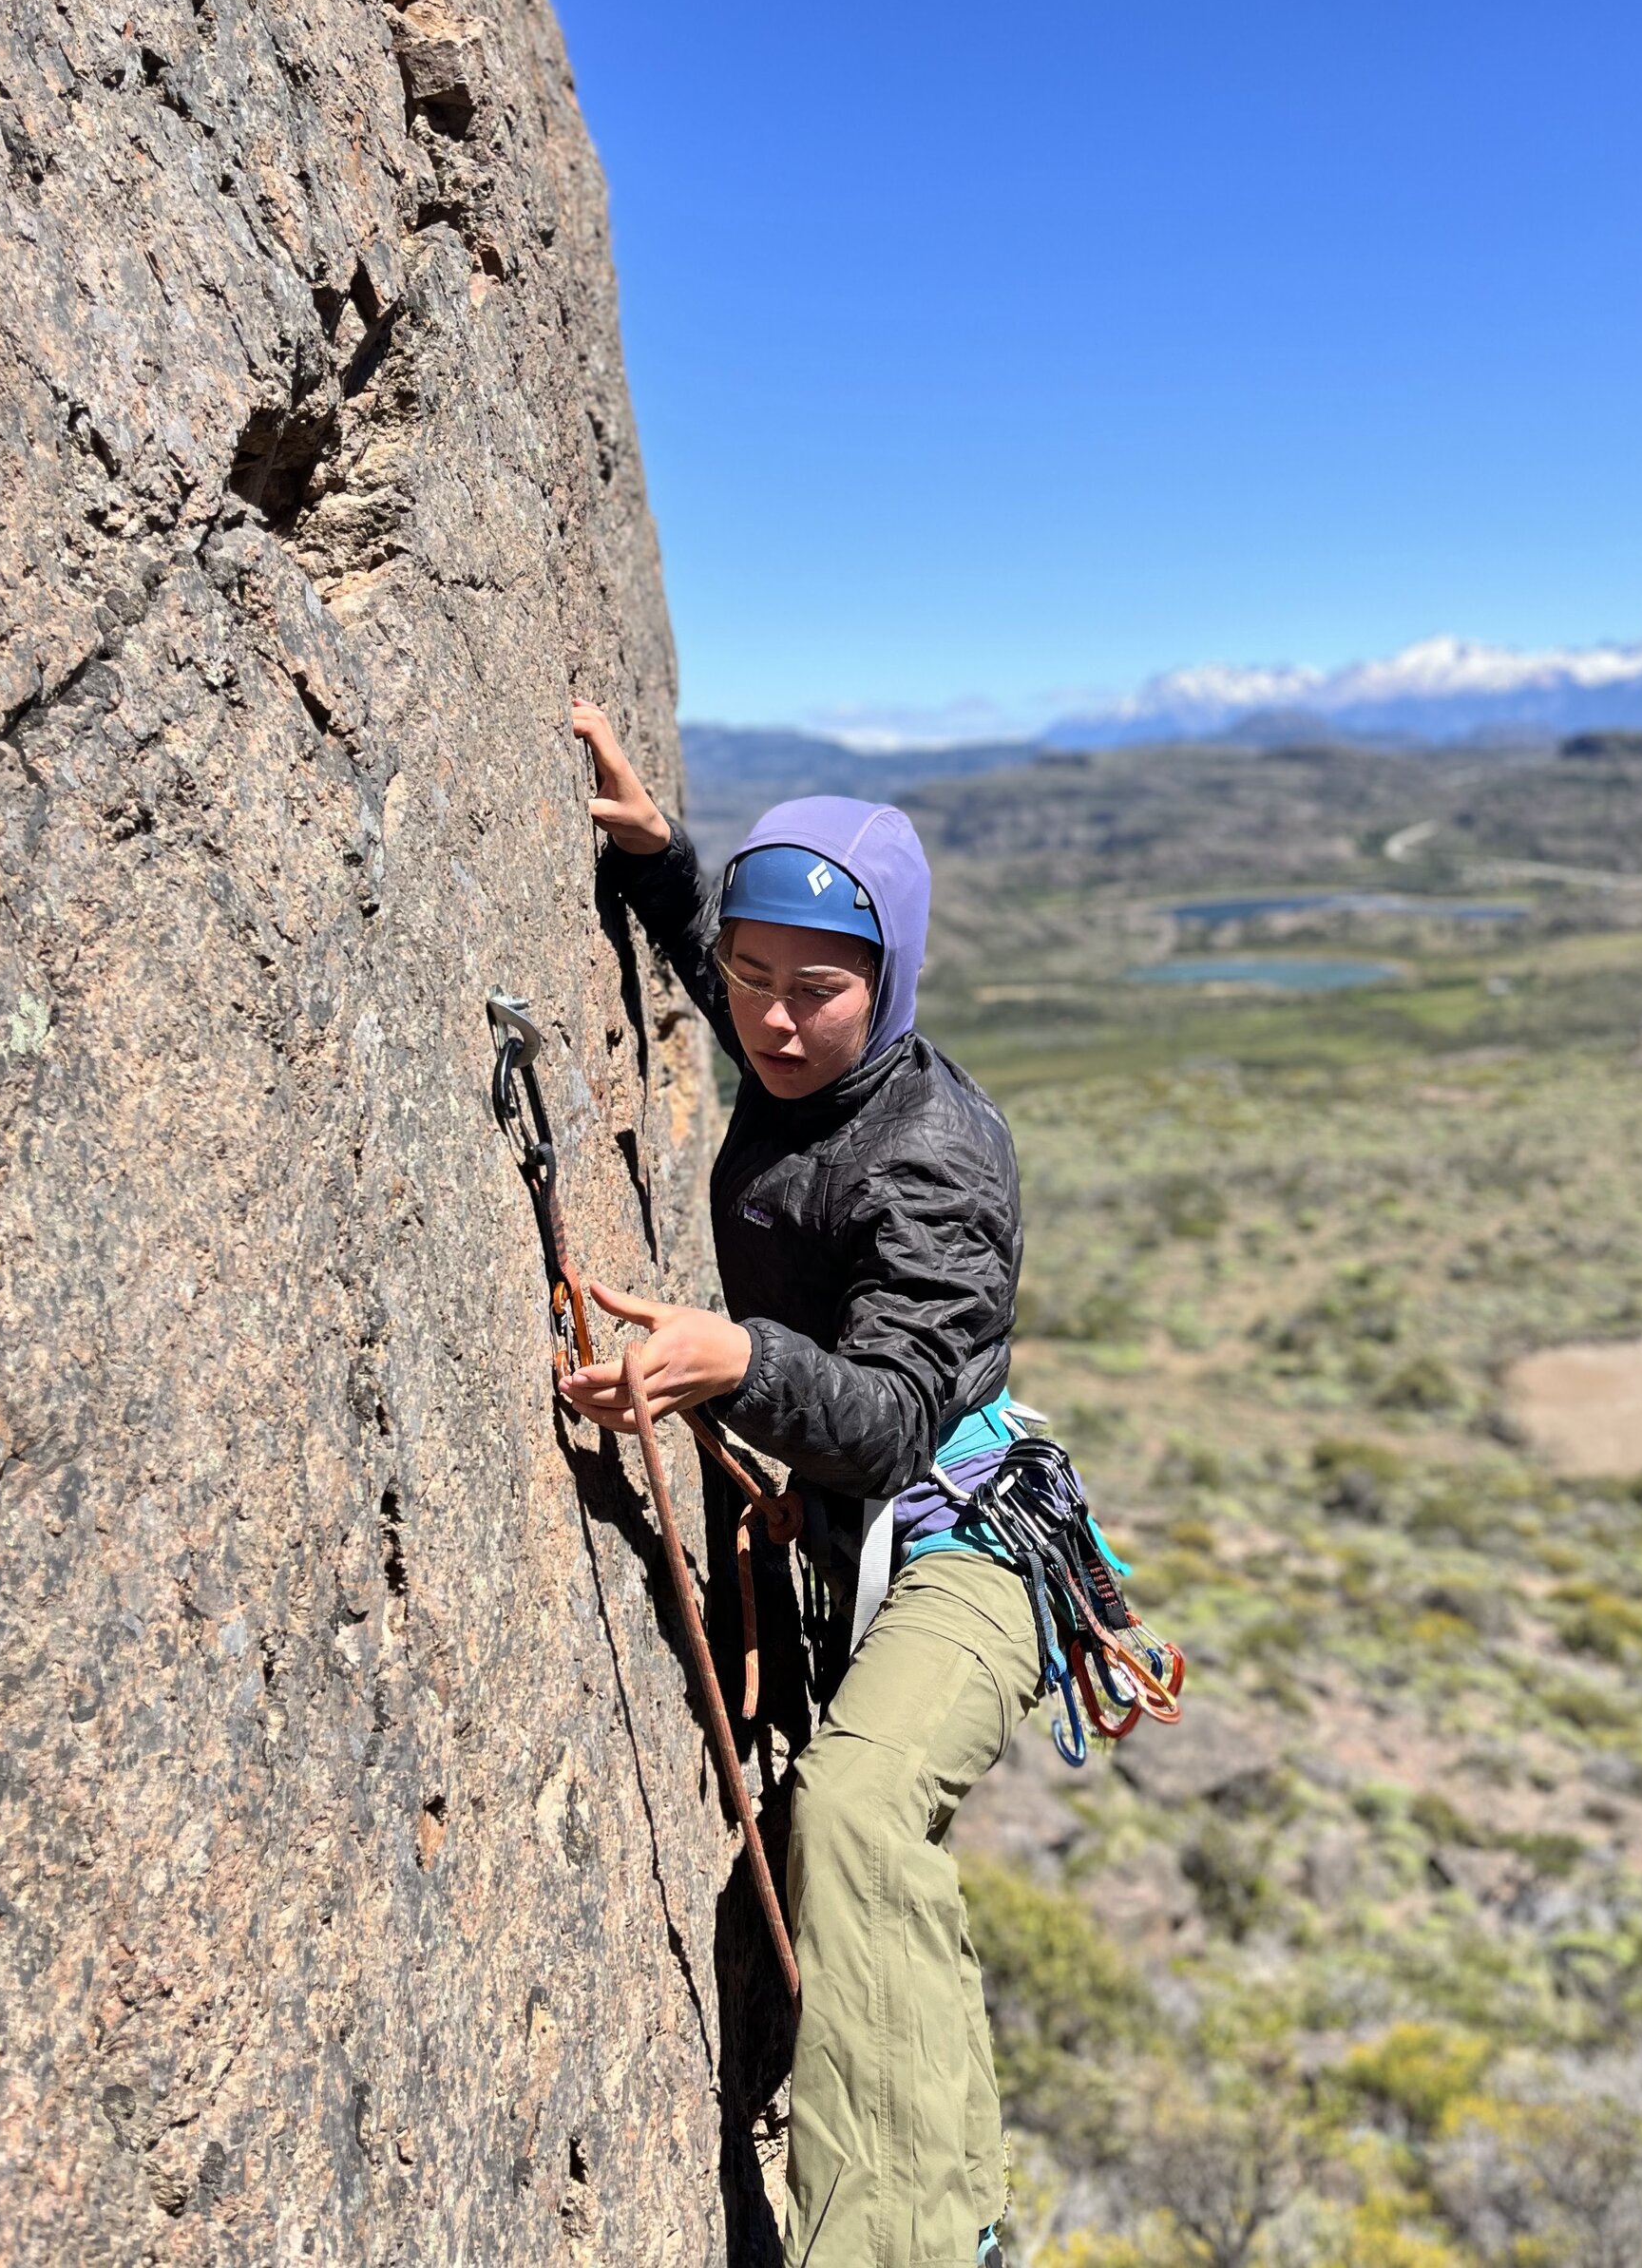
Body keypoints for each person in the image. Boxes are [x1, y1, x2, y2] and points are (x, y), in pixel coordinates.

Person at [564, 699, 1039, 2268]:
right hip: (842, 1535)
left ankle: (912, 2244)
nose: (772, 1022)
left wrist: (735, 1364)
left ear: (890, 981)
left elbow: (900, 1417)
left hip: (965, 1541)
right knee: (837, 1837)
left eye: (817, 992)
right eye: (753, 986)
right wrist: (661, 863)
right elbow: (729, 958)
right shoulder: (785, 1026)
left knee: (851, 1804)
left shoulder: (934, 1156)